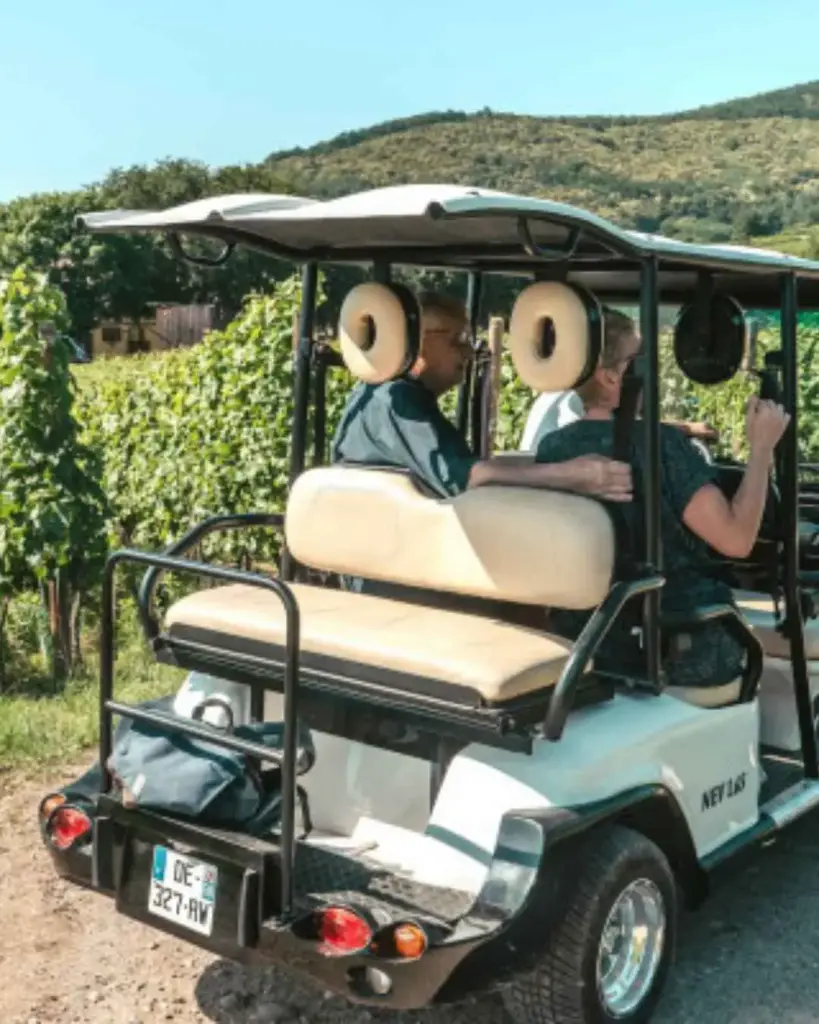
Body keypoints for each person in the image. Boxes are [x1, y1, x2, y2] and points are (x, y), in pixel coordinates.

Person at [534, 307, 790, 690]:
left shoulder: (553, 449)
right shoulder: (662, 446)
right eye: (639, 360)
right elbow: (737, 541)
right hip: (681, 643)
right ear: (610, 376)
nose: (651, 371)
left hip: (592, 641)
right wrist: (761, 451)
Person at [332, 290, 632, 502]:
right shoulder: (399, 401)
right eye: (458, 339)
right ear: (418, 341)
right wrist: (573, 475)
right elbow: (466, 477)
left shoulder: (378, 396)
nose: (468, 352)